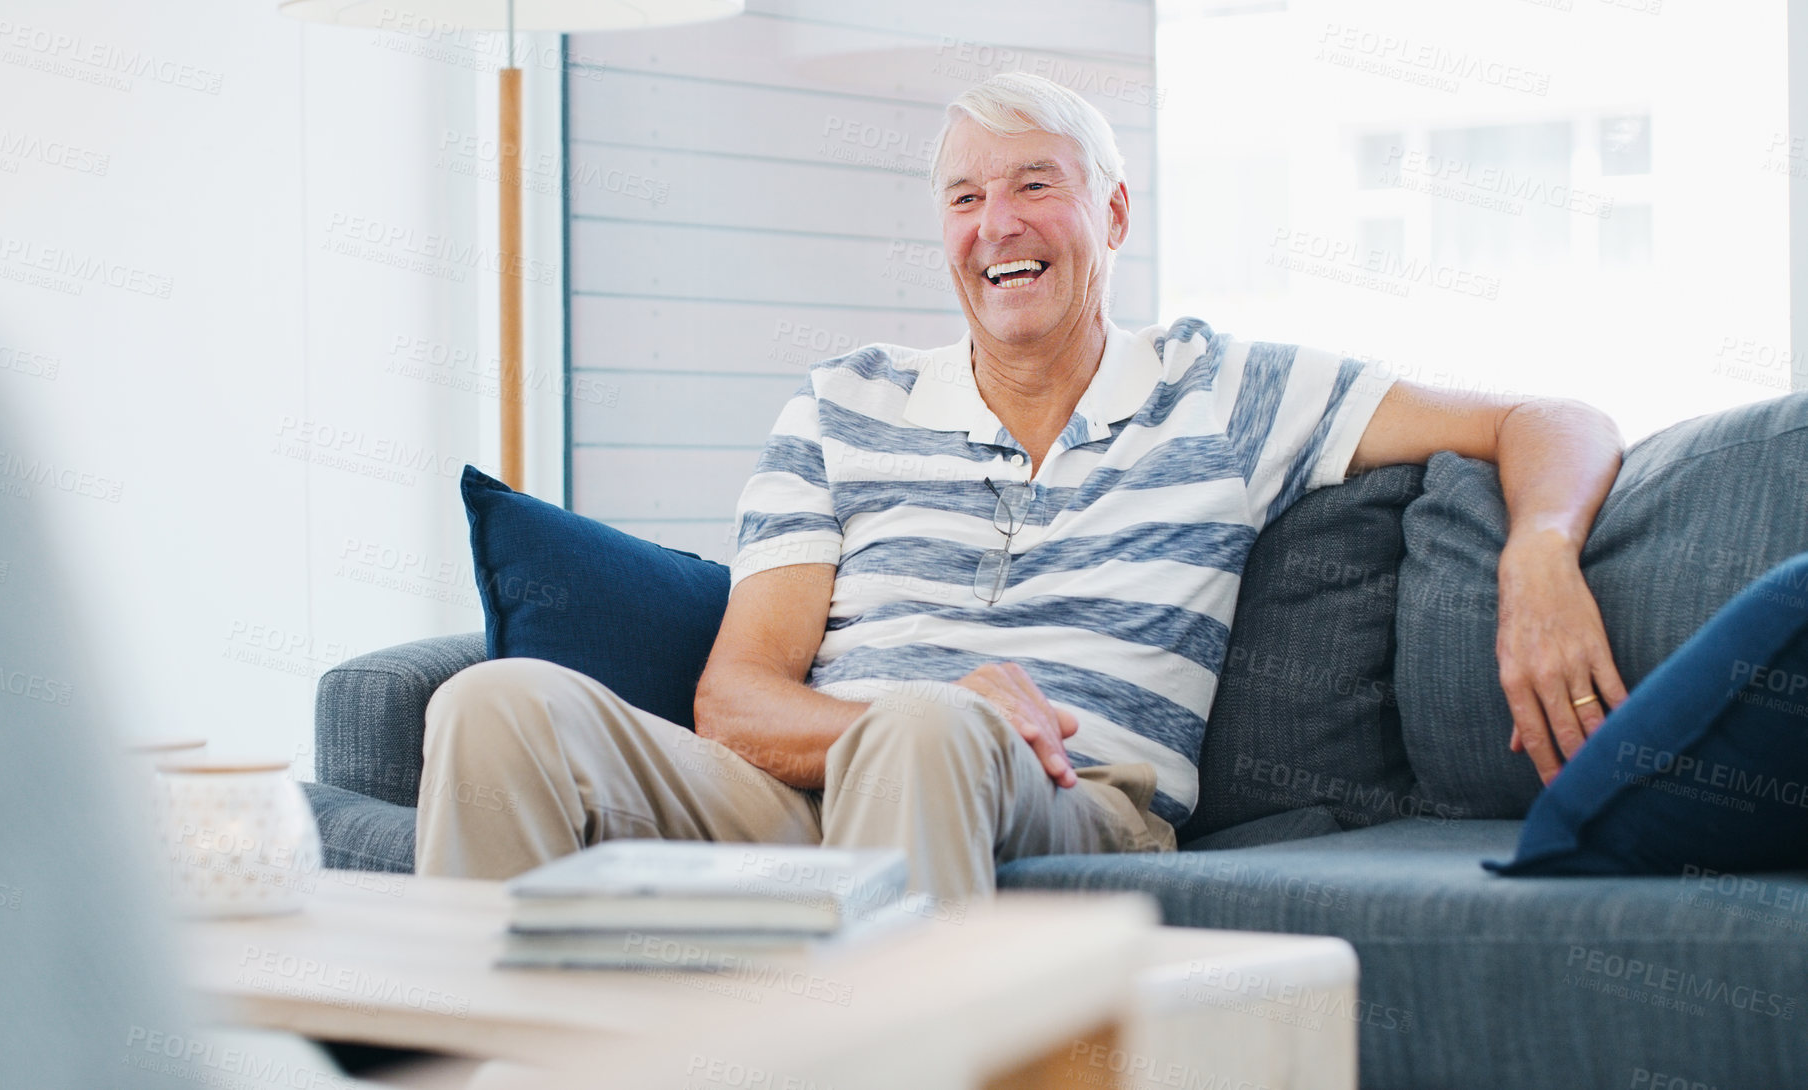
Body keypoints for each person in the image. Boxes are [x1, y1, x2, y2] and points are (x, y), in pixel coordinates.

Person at [416, 72, 1627, 902]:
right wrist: (908, 721)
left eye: (1033, 184)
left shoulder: (1225, 389)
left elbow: (1544, 416)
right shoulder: (844, 404)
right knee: (496, 704)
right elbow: (735, 701)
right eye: (965, 196)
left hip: (1068, 800)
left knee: (935, 731)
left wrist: (1538, 554)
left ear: (1110, 211)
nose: (998, 223)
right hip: (808, 787)